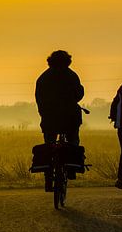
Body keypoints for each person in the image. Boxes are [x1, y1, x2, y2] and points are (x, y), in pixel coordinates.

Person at [35, 50, 85, 191]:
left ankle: (48, 175)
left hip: (50, 119)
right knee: (73, 139)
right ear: (67, 62)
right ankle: (71, 168)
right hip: (70, 118)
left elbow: (39, 99)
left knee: (49, 144)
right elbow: (78, 94)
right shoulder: (72, 76)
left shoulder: (43, 78)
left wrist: (43, 114)